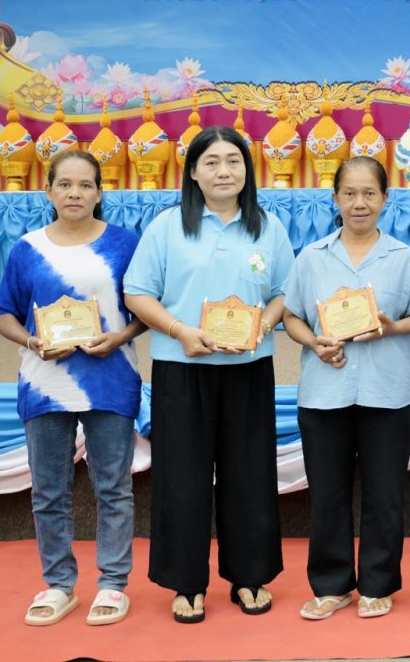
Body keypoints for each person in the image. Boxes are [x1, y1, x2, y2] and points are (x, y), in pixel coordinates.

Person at [124, 126, 295, 623]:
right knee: (182, 476)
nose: (224, 171)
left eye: (234, 161)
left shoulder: (267, 227)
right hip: (182, 368)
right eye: (212, 162)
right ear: (193, 172)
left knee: (250, 473)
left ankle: (249, 576)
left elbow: (285, 291)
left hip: (248, 369)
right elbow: (137, 292)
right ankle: (186, 582)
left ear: (247, 169)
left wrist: (264, 324)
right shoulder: (167, 226)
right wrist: (179, 330)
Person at [0, 150, 143, 627]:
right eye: (65, 184)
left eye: (85, 185)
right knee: (48, 490)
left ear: (99, 192)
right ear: (48, 192)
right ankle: (58, 584)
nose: (74, 193)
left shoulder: (124, 243)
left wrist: (119, 337)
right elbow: (3, 313)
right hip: (45, 383)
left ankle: (113, 584)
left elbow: (145, 308)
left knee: (113, 487)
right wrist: (32, 342)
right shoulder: (28, 248)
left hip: (111, 380)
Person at [281, 156, 410, 621]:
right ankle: (332, 586)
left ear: (385, 199)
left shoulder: (403, 257)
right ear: (335, 198)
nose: (359, 203)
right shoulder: (312, 257)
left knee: (385, 493)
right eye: (349, 193)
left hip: (387, 391)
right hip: (324, 392)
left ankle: (377, 584)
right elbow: (291, 316)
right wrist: (315, 342)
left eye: (369, 193)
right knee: (327, 494)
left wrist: (393, 328)